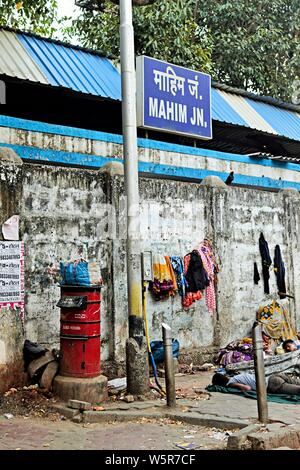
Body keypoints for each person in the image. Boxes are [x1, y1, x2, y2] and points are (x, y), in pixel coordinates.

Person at [212, 371, 300, 395]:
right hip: (273, 376)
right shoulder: (236, 376)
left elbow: (247, 388)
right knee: (297, 382)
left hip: (271, 384)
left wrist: (241, 390)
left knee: (297, 390)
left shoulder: (231, 383)